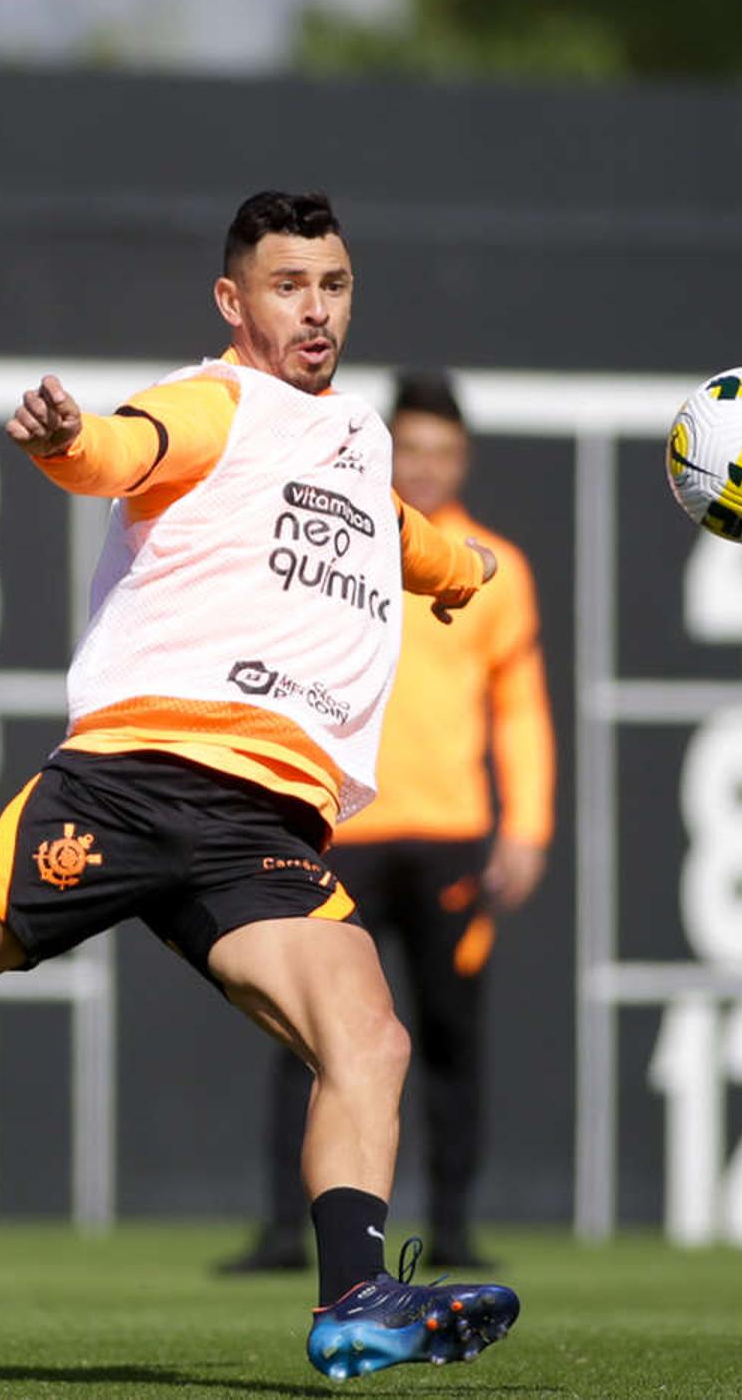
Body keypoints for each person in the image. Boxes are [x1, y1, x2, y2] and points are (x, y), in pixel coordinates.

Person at [0, 190, 523, 1379]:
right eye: (289, 286)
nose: (316, 309)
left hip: (263, 823)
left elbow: (381, 527)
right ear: (232, 301)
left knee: (374, 1041)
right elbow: (121, 450)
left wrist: (458, 565)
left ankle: (356, 1296)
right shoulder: (210, 401)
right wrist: (63, 441)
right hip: (119, 787)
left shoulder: (355, 437)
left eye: (335, 285)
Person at [221, 368, 553, 1275]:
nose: (429, 467)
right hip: (339, 828)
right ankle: (288, 1232)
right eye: (413, 448)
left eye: (446, 452)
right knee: (308, 1033)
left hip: (450, 831)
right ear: (382, 449)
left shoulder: (499, 570)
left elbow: (520, 708)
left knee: (451, 1035)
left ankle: (451, 1227)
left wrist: (527, 826)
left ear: (466, 459)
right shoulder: (333, 544)